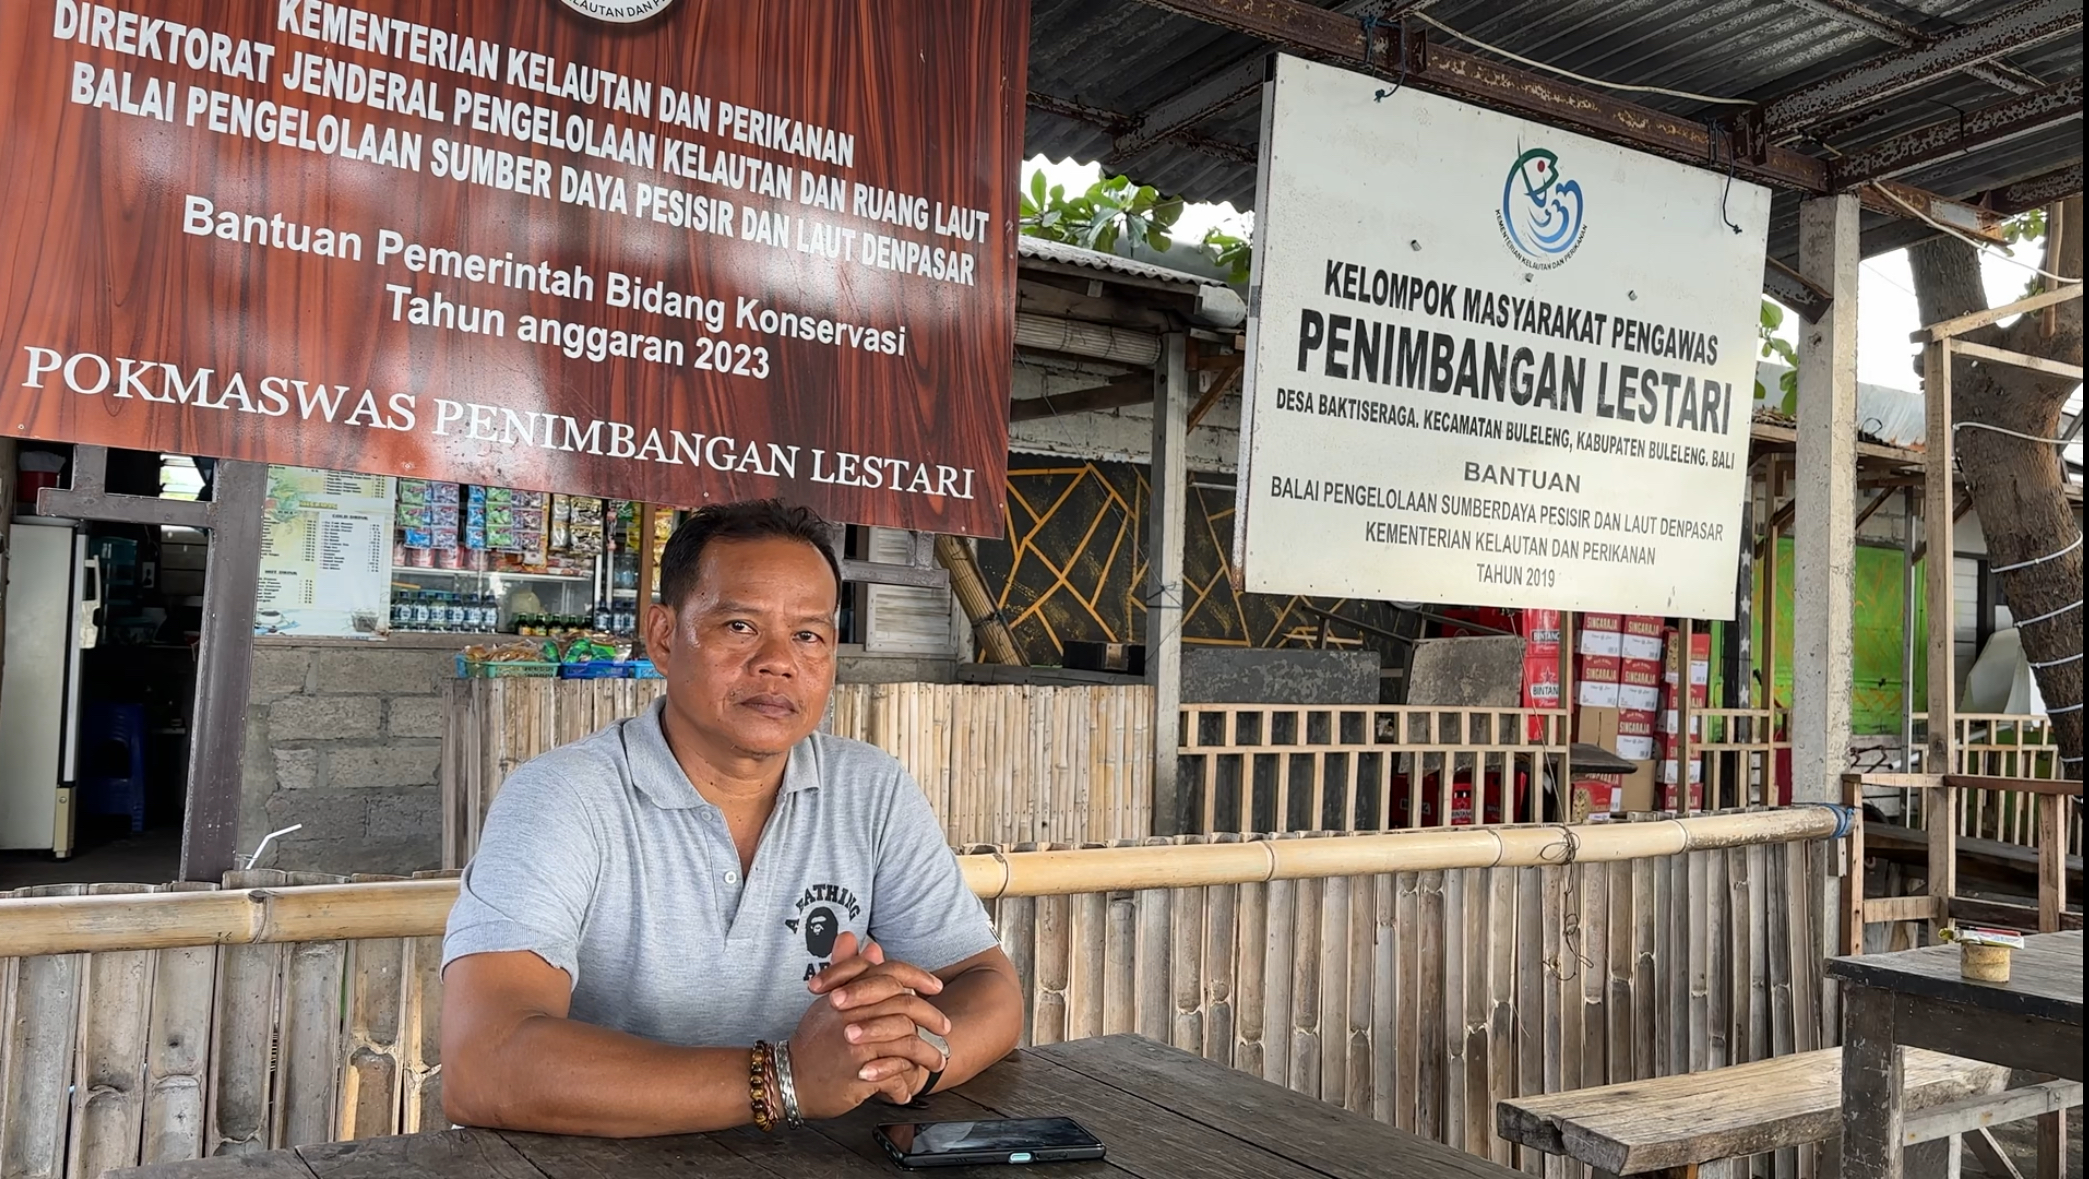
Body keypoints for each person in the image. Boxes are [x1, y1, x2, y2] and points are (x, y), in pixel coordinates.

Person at [439, 500, 1022, 1136]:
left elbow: (986, 986)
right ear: (664, 637)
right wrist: (786, 1078)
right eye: (740, 626)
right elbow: (485, 1063)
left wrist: (914, 1057)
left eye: (809, 635)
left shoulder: (869, 789)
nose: (779, 661)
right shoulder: (563, 797)